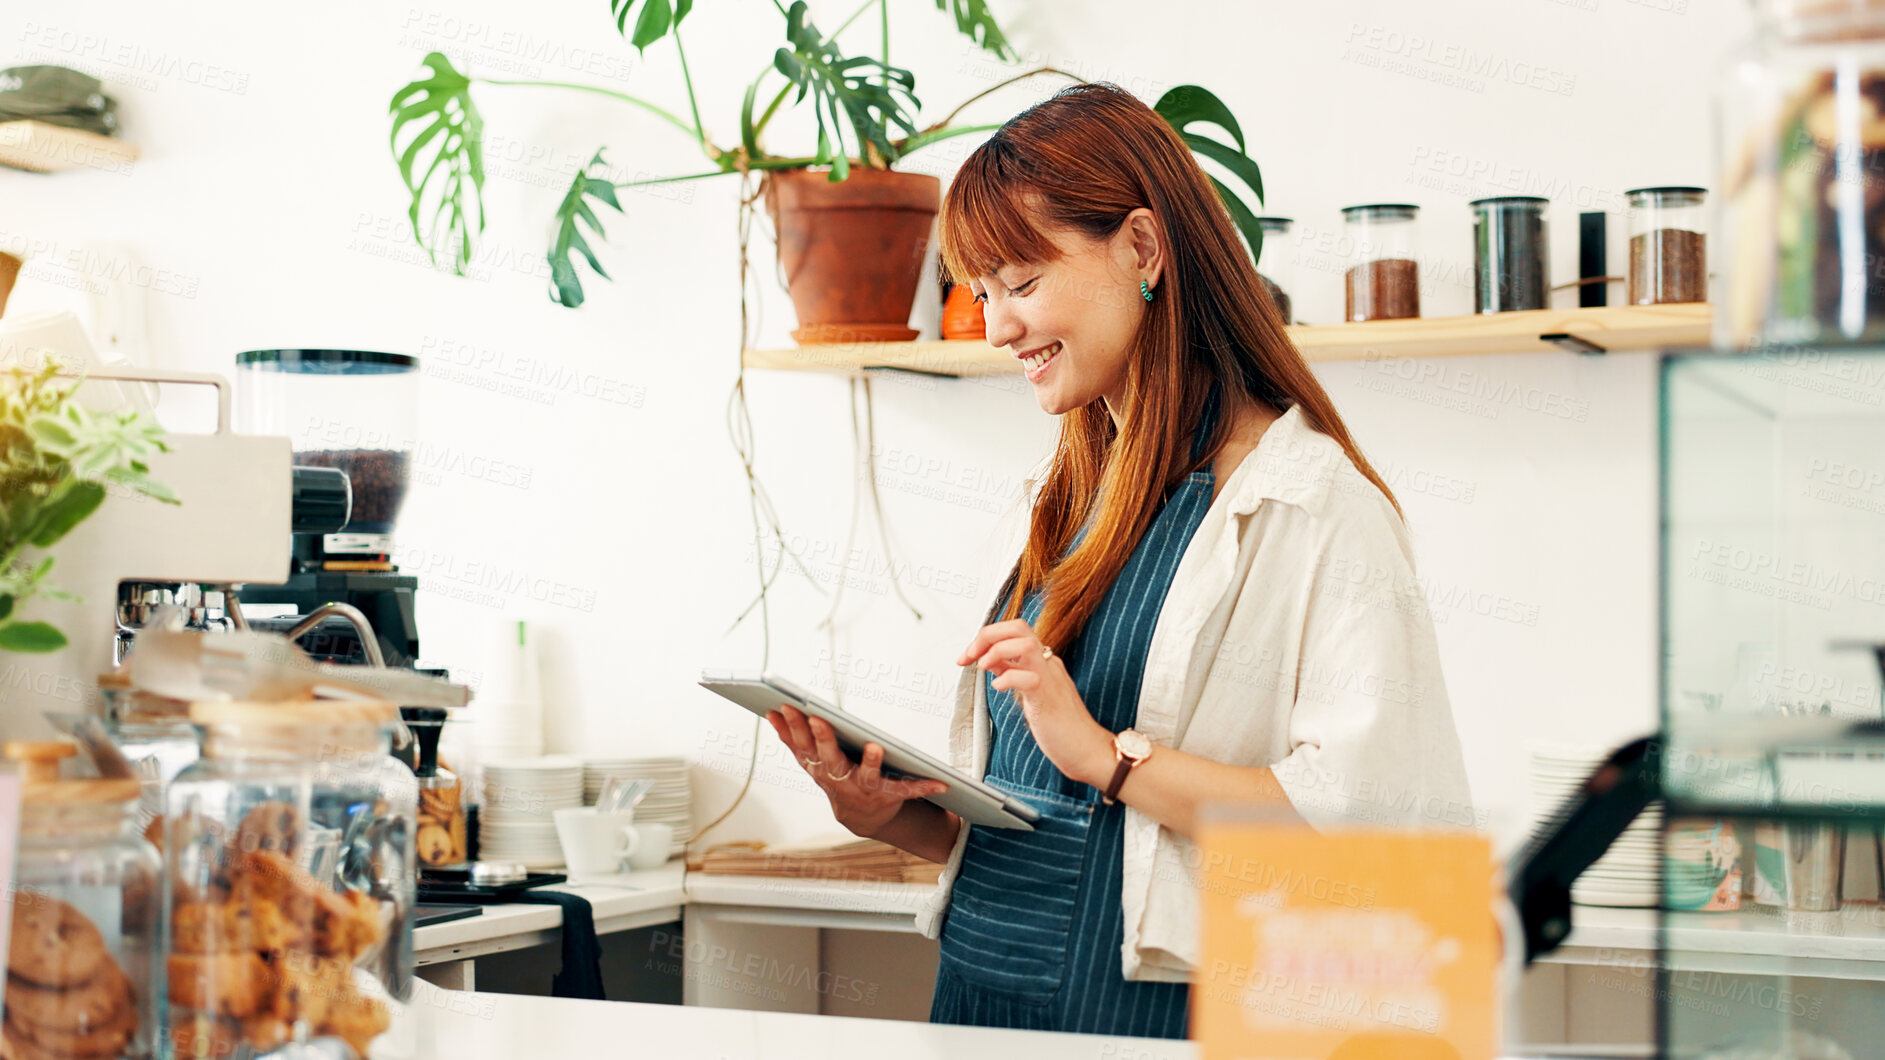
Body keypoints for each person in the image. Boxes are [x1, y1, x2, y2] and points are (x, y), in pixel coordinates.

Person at [767, 82, 1472, 1039]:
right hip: (980, 996)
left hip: (1155, 1017)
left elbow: (1364, 831)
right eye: (981, 294)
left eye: (1021, 284)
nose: (998, 327)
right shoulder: (1065, 507)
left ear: (1141, 248)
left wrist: (1108, 758)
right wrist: (884, 813)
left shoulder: (1315, 509)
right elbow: (1046, 829)